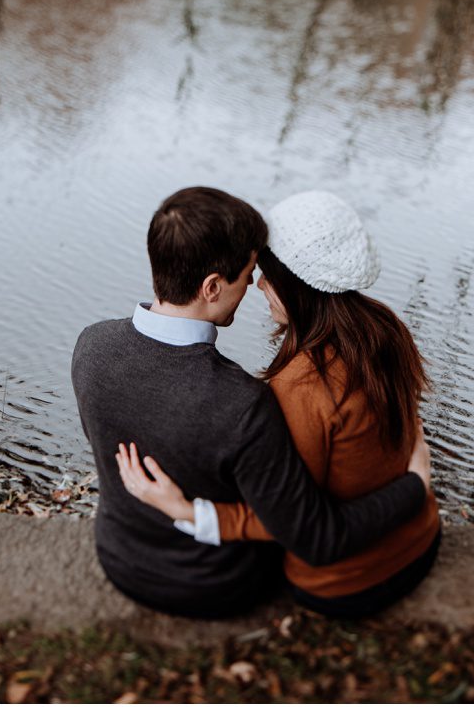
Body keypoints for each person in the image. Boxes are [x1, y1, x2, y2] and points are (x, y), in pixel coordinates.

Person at [71, 186, 431, 620]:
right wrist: (415, 485)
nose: (254, 284)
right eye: (247, 273)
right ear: (212, 287)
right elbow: (307, 530)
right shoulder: (244, 403)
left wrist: (185, 508)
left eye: (260, 273)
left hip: (118, 558)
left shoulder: (90, 346)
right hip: (218, 583)